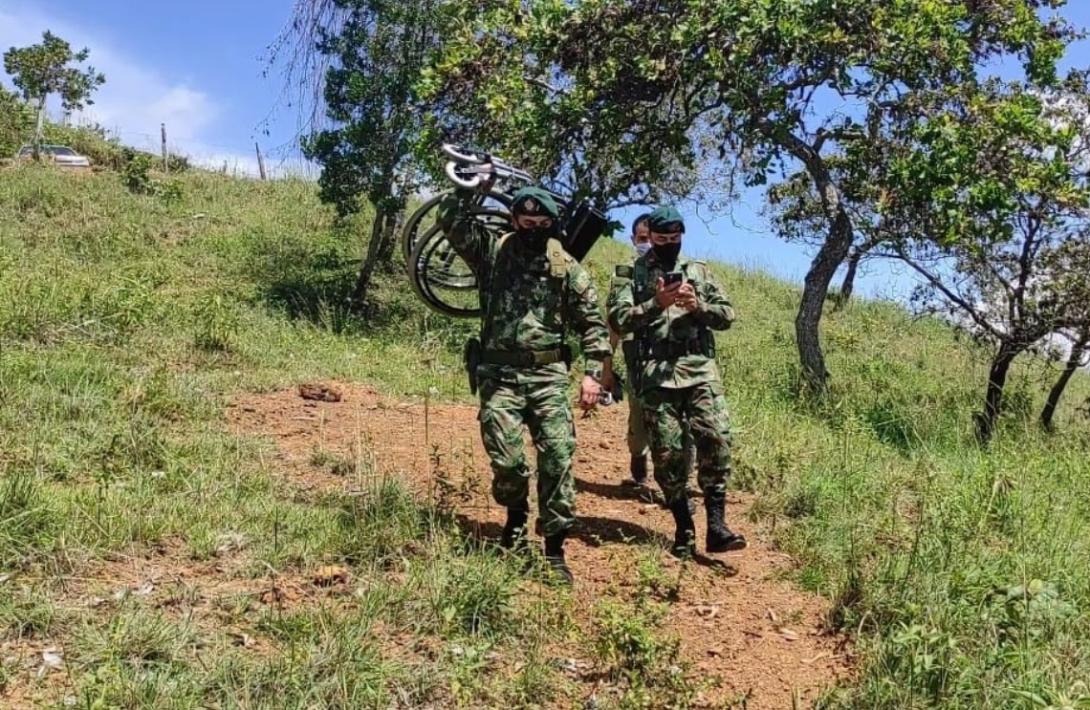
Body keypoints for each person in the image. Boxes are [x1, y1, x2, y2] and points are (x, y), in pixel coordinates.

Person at [438, 184, 610, 583]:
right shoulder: (492, 252)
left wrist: (591, 373)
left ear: (552, 224)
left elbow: (592, 323)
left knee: (557, 458)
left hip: (548, 377)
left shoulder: (565, 265)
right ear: (514, 219)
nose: (533, 228)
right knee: (509, 461)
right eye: (526, 221)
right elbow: (449, 220)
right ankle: (515, 518)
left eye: (542, 223)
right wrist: (471, 188)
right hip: (499, 375)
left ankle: (553, 548)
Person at [607, 206, 746, 558]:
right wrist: (656, 303)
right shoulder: (629, 274)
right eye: (661, 239)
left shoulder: (697, 271)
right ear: (648, 236)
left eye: (674, 239)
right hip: (656, 374)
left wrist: (698, 306)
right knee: (668, 454)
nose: (669, 244)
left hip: (699, 370)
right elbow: (618, 318)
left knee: (716, 439)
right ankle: (684, 527)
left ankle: (717, 526)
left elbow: (728, 314)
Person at [604, 213, 693, 489]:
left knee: (684, 423)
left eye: (649, 238)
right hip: (639, 356)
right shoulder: (628, 273)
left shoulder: (685, 270)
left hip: (679, 360)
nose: (647, 244)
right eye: (642, 239)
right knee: (640, 418)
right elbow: (615, 323)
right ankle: (638, 462)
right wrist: (607, 368)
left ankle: (679, 484)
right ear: (635, 240)